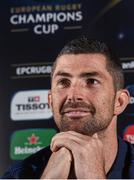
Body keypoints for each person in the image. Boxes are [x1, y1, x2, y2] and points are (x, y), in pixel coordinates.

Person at [2, 37, 134, 179]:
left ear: (119, 102)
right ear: (51, 101)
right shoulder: (18, 175)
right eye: (64, 82)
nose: (73, 95)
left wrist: (93, 176)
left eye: (91, 81)